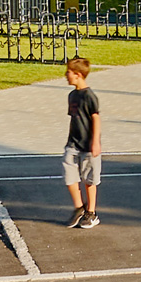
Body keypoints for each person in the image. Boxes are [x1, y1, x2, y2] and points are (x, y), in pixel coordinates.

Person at [63, 56, 101, 228]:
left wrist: (95, 142)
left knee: (89, 179)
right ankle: (79, 207)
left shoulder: (89, 96)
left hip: (88, 144)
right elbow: (74, 120)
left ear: (78, 74)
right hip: (73, 143)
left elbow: (96, 119)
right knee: (69, 175)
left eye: (68, 72)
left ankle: (91, 213)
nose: (66, 75)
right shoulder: (72, 95)